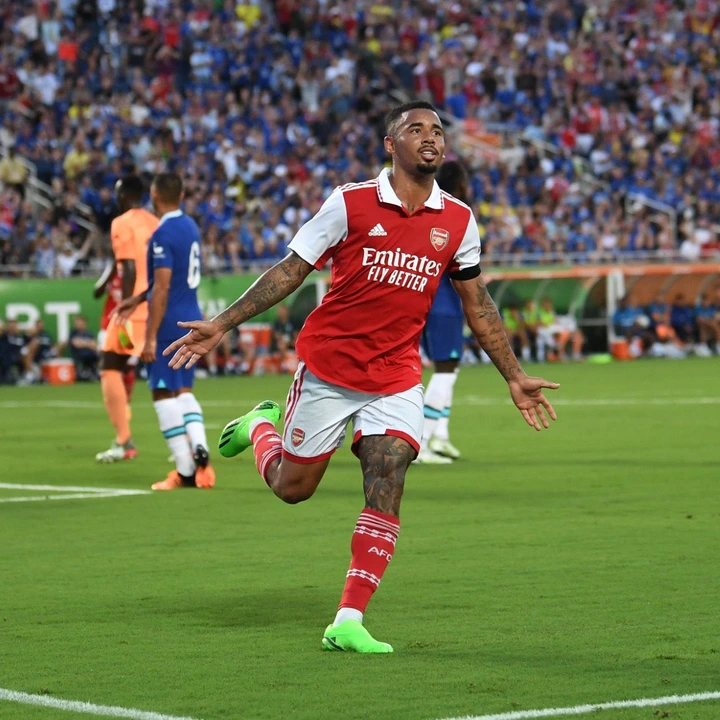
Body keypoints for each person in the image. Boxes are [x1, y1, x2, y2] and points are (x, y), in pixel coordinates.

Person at [163, 102, 559, 653]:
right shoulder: (349, 203)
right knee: (293, 489)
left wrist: (513, 375)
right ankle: (261, 426)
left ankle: (348, 619)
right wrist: (224, 322)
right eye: (416, 129)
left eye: (437, 130)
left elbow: (478, 301)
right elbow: (292, 269)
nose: (431, 137)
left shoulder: (459, 219)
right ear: (390, 145)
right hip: (329, 368)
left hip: (396, 373)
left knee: (388, 471)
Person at [115, 172, 215, 491]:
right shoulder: (190, 226)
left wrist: (149, 338)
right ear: (181, 196)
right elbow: (174, 279)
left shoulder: (162, 234)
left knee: (161, 392)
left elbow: (162, 287)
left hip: (169, 324)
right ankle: (201, 452)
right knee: (183, 389)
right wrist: (136, 298)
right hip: (192, 318)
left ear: (154, 196)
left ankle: (184, 471)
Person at [96, 176, 158, 463]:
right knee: (169, 379)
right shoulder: (156, 222)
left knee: (109, 367)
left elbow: (130, 268)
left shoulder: (121, 223)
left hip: (135, 308)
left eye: (118, 194)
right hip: (157, 304)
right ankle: (188, 444)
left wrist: (126, 306)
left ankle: (123, 440)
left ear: (124, 196)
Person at [416, 160, 471, 465]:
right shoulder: (455, 216)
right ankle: (422, 442)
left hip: (434, 302)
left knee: (450, 370)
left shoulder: (430, 211)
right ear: (459, 184)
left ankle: (440, 435)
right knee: (445, 371)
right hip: (444, 304)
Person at [94, 258, 137, 419]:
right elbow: (97, 292)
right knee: (109, 367)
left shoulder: (137, 269)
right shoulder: (113, 269)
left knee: (128, 367)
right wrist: (111, 271)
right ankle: (116, 403)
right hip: (108, 326)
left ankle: (126, 403)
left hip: (130, 325)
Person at [69, 315, 99, 381]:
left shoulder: (89, 333)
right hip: (79, 355)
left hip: (91, 354)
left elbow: (94, 345)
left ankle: (95, 374)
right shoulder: (73, 333)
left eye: (80, 322)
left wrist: (83, 342)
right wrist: (88, 343)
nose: (78, 324)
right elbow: (76, 344)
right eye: (77, 322)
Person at [0, 318, 27, 384]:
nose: (12, 327)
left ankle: (26, 376)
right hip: (6, 357)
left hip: (18, 356)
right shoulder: (5, 336)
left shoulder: (20, 337)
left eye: (14, 325)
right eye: (11, 326)